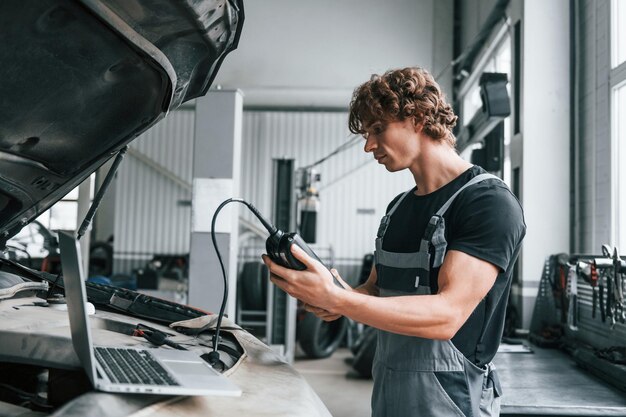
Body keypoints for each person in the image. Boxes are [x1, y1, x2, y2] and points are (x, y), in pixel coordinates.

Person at [262, 66, 526, 417]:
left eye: (377, 128)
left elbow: (448, 315)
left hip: (452, 401)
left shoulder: (486, 203)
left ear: (417, 117)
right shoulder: (397, 209)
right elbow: (374, 292)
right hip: (389, 395)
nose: (369, 145)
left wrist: (338, 299)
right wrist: (331, 296)